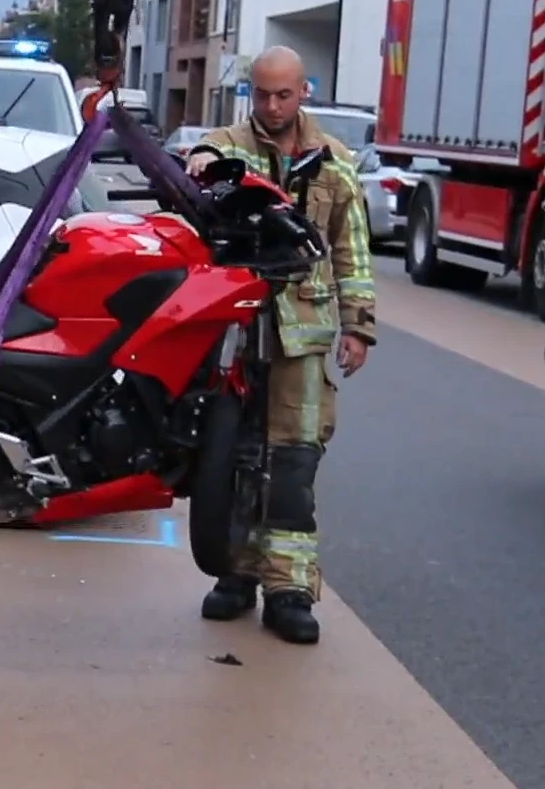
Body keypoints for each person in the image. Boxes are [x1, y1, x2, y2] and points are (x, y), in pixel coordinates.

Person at [183, 45, 375, 645]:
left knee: (293, 461)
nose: (270, 105)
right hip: (234, 333)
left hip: (303, 334)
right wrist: (201, 159)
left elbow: (353, 251)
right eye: (261, 94)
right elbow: (204, 161)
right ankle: (236, 576)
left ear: (304, 93)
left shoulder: (335, 164)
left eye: (282, 95)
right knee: (233, 457)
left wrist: (359, 325)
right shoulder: (230, 147)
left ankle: (289, 589)